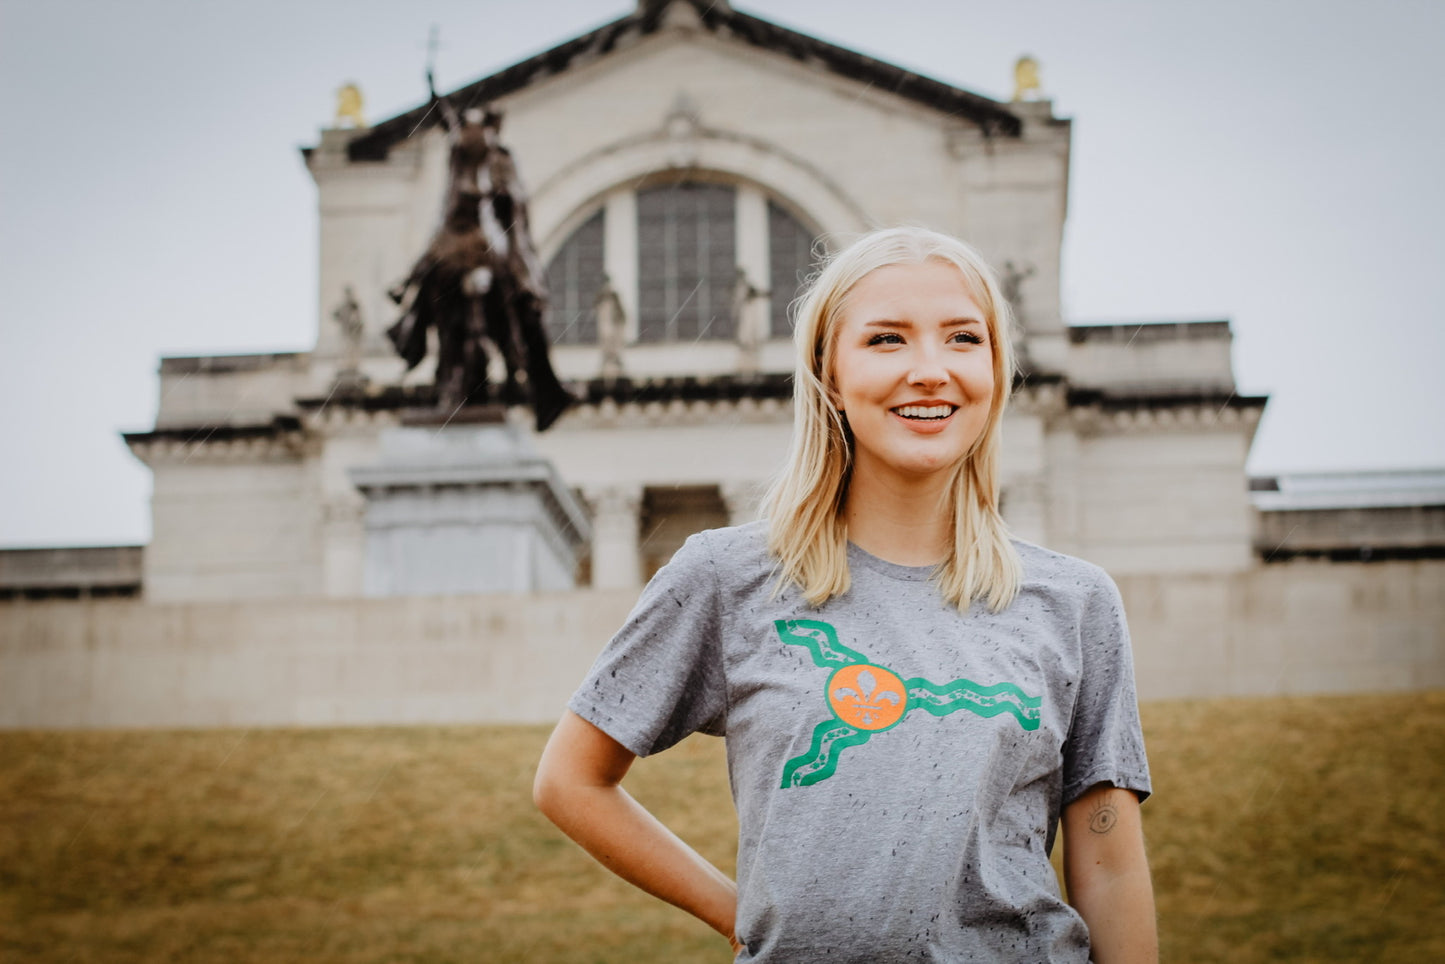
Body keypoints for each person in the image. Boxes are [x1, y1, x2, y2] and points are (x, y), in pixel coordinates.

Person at [534, 226, 1157, 962]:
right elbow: (571, 782)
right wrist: (740, 916)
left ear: (995, 368)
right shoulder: (725, 576)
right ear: (828, 372)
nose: (930, 370)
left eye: (963, 339)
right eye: (886, 340)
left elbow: (1109, 859)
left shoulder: (1072, 600)